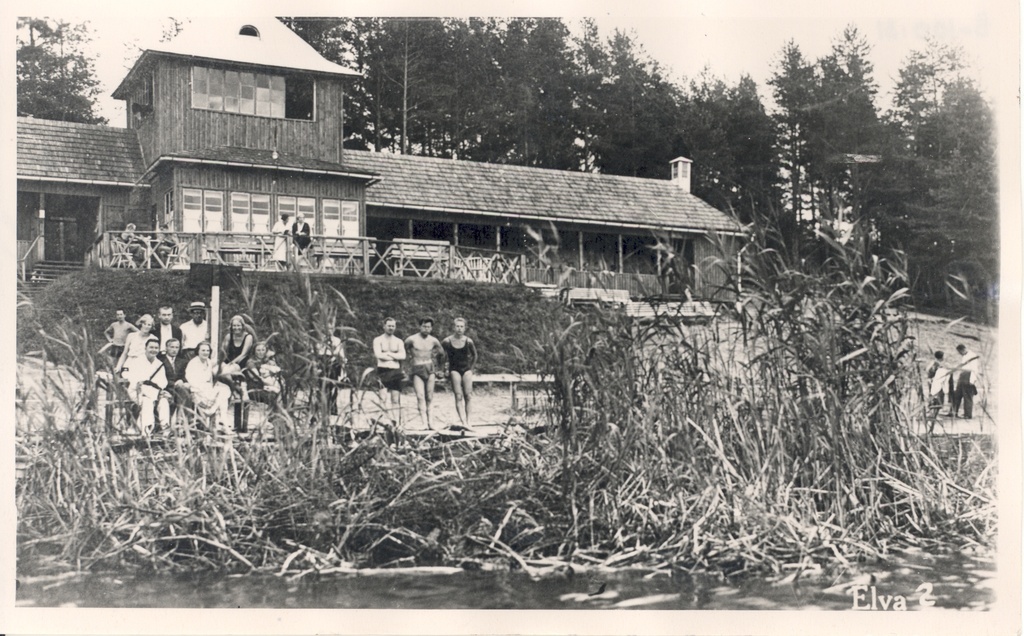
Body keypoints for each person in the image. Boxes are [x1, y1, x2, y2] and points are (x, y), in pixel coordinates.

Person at [120, 336, 170, 435]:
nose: (153, 350)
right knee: (147, 401)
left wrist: (159, 391)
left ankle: (165, 429)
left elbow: (162, 382)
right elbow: (132, 378)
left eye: (156, 348)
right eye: (151, 347)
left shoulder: (159, 364)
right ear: (145, 348)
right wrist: (156, 393)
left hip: (154, 392)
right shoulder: (136, 361)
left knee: (164, 401)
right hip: (137, 392)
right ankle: (146, 430)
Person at [404, 317, 445, 430]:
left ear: (431, 328)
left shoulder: (433, 340)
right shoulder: (411, 339)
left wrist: (440, 369)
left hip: (430, 368)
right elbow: (403, 352)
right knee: (420, 396)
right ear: (420, 326)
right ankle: (423, 423)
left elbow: (442, 354)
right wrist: (407, 366)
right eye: (424, 326)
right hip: (417, 368)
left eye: (429, 327)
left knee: (430, 397)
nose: (426, 329)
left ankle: (430, 422)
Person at [185, 341, 233, 435]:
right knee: (222, 395)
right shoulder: (193, 363)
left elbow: (211, 379)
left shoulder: (208, 362)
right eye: (203, 350)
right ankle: (221, 424)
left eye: (207, 350)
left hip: (208, 388)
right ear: (197, 351)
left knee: (224, 391)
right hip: (198, 391)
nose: (205, 352)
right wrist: (203, 390)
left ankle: (223, 424)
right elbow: (190, 380)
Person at [442, 317, 479, 429]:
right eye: (457, 326)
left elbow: (475, 355)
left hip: (466, 369)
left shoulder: (468, 341)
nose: (459, 329)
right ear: (454, 327)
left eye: (461, 326)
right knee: (458, 396)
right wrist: (444, 369)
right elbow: (441, 355)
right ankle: (463, 421)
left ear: (465, 328)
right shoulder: (447, 341)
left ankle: (469, 421)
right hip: (454, 370)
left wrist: (471, 369)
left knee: (468, 396)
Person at [222, 315, 256, 433]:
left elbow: (243, 354)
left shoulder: (248, 337)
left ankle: (239, 391)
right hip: (229, 362)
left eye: (238, 325)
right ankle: (234, 390)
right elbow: (223, 351)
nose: (236, 328)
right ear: (231, 326)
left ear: (242, 326)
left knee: (234, 369)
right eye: (234, 325)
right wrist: (223, 363)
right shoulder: (228, 337)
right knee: (221, 372)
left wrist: (231, 364)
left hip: (241, 363)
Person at [373, 317, 406, 424]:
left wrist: (388, 354)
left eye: (393, 326)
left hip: (396, 371)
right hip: (382, 370)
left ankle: (395, 420)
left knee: (395, 399)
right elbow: (378, 355)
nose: (391, 328)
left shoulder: (398, 341)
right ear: (384, 326)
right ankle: (382, 420)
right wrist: (395, 356)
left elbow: (403, 356)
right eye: (389, 326)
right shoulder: (378, 340)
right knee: (382, 397)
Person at [315, 327, 347, 417]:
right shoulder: (319, 340)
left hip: (333, 363)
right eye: (327, 328)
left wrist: (343, 361)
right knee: (322, 385)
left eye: (331, 328)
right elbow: (316, 352)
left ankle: (332, 407)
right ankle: (322, 407)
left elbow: (340, 353)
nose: (329, 330)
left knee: (332, 386)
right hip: (322, 362)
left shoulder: (337, 340)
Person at [159, 338, 191, 424]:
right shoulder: (159, 360)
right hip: (165, 387)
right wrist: (174, 383)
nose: (174, 350)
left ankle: (181, 420)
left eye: (177, 347)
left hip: (179, 388)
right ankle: (182, 421)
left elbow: (185, 376)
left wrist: (184, 381)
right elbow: (159, 378)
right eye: (172, 347)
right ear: (166, 348)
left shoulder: (183, 362)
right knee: (182, 390)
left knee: (185, 388)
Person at [245, 341, 281, 406]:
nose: (261, 352)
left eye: (263, 350)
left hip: (268, 387)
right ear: (254, 351)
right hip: (255, 388)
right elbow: (257, 377)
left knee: (282, 395)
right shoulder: (251, 362)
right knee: (272, 397)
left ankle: (275, 413)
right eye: (258, 350)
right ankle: (272, 413)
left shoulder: (268, 361)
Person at [952, 344, 981, 419]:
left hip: (969, 376)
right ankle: (953, 412)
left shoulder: (972, 356)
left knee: (967, 396)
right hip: (962, 376)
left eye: (960, 352)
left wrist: (972, 380)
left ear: (963, 349)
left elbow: (975, 369)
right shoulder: (964, 356)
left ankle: (968, 414)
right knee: (957, 394)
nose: (960, 354)